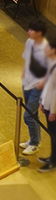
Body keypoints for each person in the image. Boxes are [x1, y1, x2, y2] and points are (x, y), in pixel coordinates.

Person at [20, 19, 49, 155]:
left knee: (28, 116)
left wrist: (40, 86)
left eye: (31, 30)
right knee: (33, 114)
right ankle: (34, 138)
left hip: (37, 87)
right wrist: (24, 73)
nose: (28, 32)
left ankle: (35, 143)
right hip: (27, 83)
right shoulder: (29, 42)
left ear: (39, 33)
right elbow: (27, 59)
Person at [39, 37, 56, 173]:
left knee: (55, 134)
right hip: (47, 104)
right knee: (52, 133)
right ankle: (52, 157)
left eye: (48, 48)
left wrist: (54, 111)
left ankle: (54, 161)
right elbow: (47, 86)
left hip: (53, 108)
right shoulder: (51, 63)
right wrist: (41, 101)